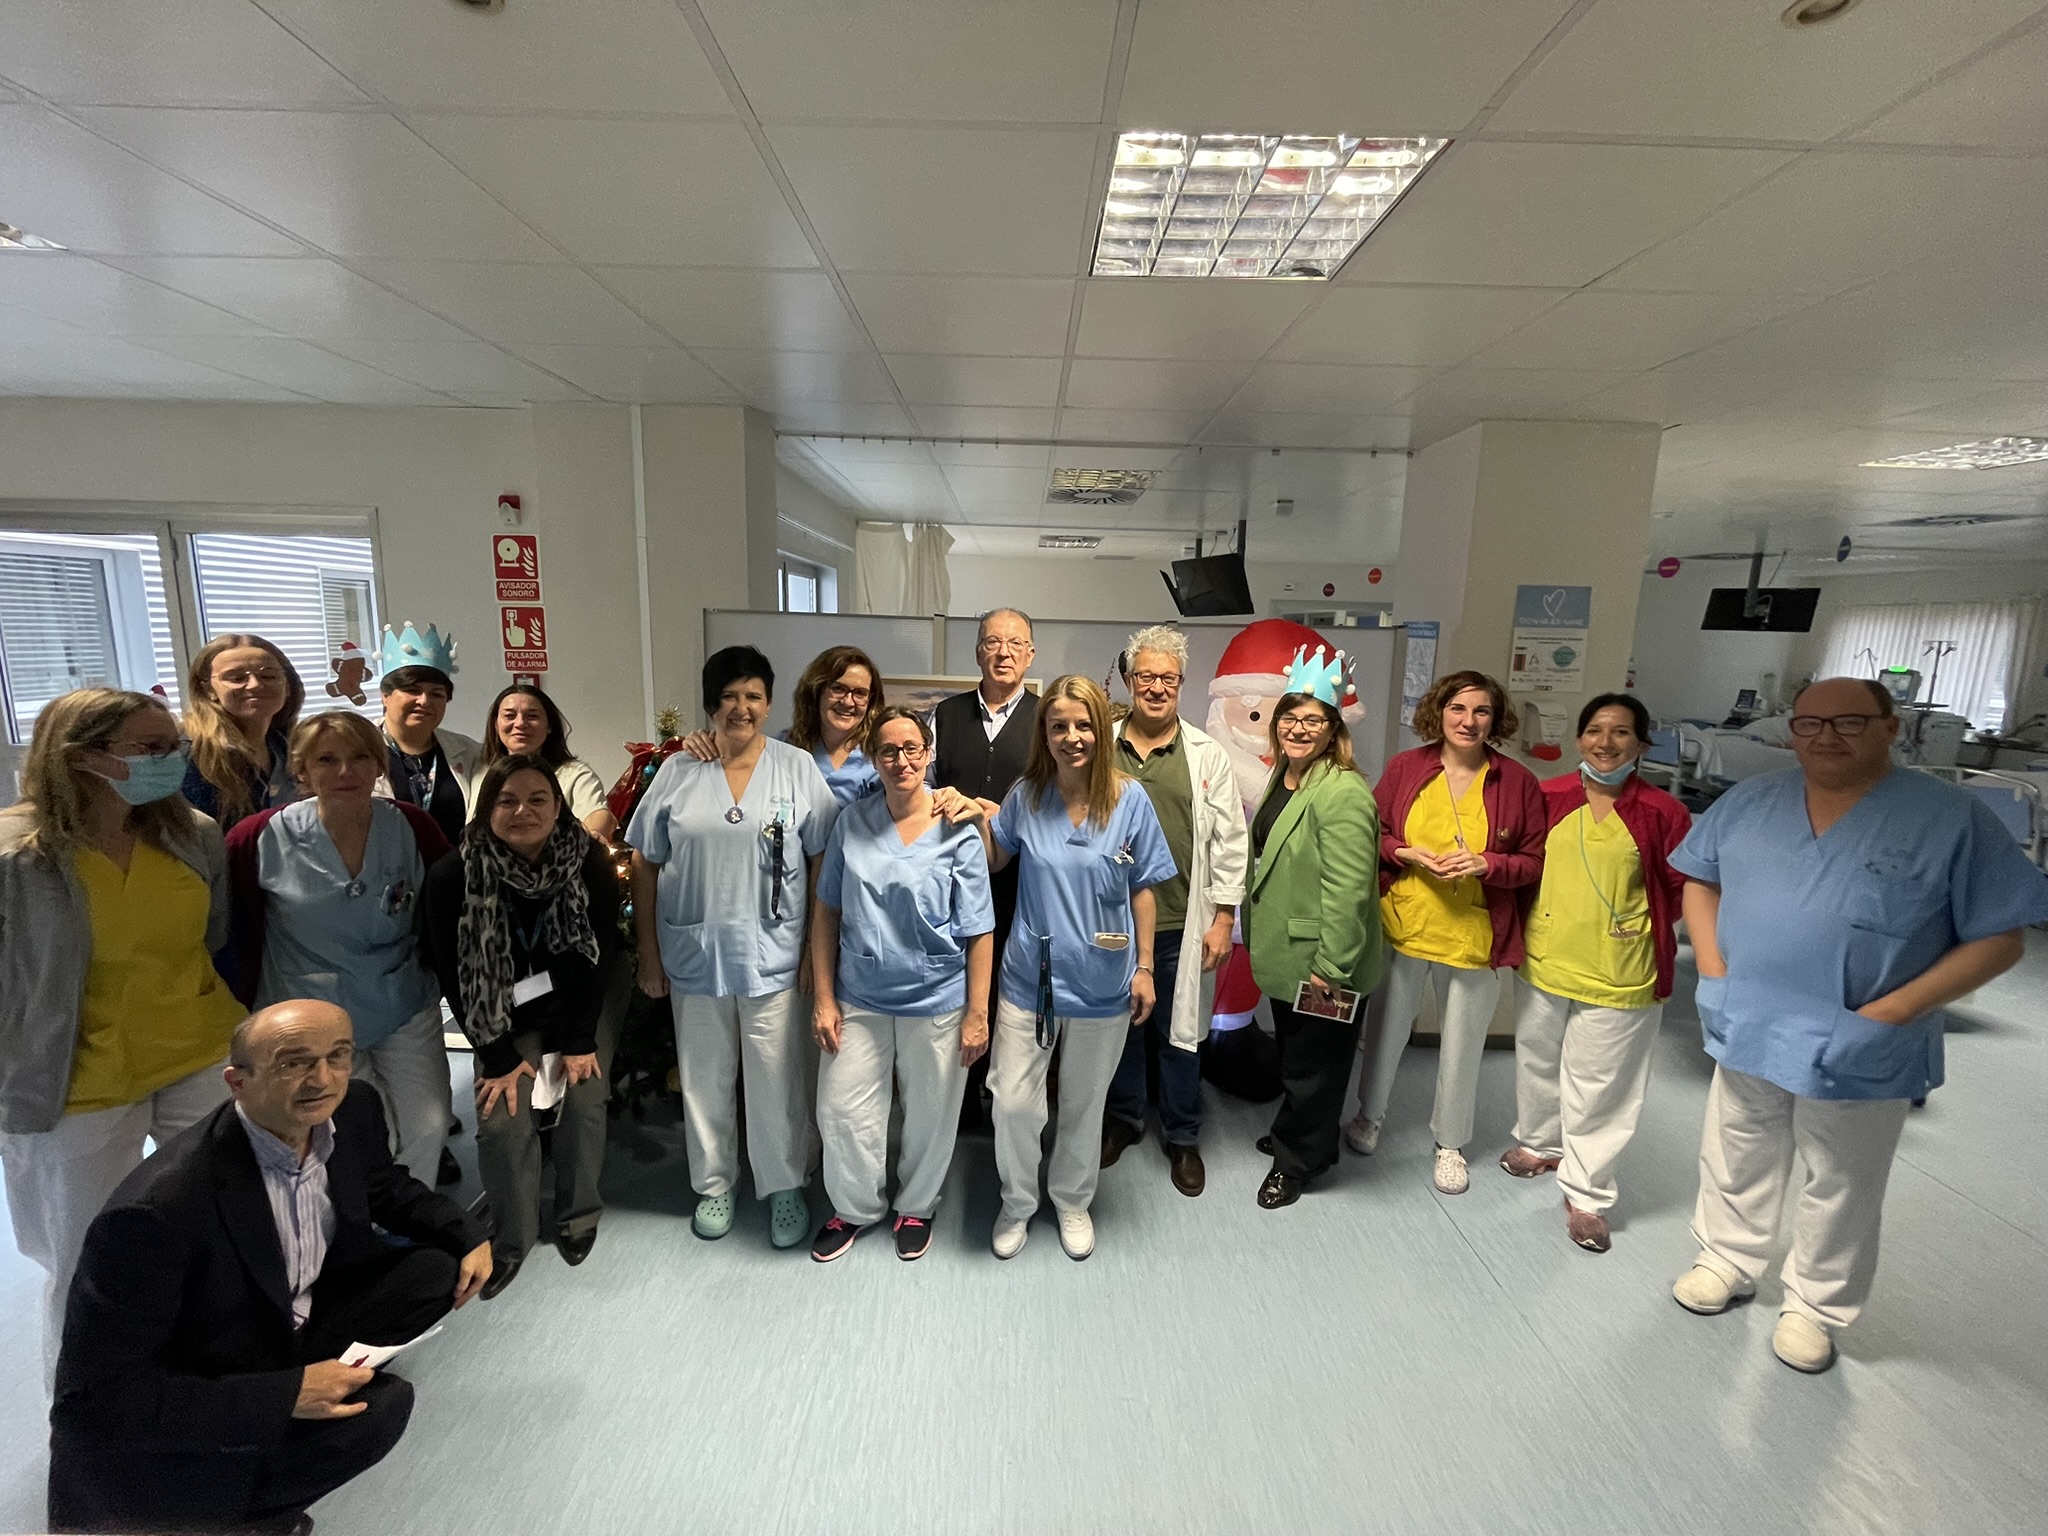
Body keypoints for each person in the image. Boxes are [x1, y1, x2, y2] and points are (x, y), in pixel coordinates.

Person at [1669, 677, 2045, 1373]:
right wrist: (1714, 971)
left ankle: (1814, 1306)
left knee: (1844, 1174)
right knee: (1738, 1145)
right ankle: (1726, 1257)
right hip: (1749, 1014)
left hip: (1862, 1034)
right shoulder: (1752, 800)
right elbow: (1701, 879)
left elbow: (2000, 938)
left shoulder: (1949, 818)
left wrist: (1889, 1014)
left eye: (1847, 722)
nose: (1825, 737)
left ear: (1890, 727)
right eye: (1809, 724)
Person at [48, 1001, 491, 1536]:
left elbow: (381, 1184)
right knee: (381, 1412)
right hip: (205, 1374)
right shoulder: (153, 1215)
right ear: (237, 1082)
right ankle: (236, 1518)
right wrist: (285, 1396)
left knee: (434, 1271)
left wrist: (465, 1232)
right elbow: (92, 1405)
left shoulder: (350, 1110)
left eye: (338, 1055)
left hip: (278, 1322)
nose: (322, 1079)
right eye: (292, 1063)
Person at [0, 688, 242, 1386]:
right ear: (81, 756)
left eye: (174, 746)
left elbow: (214, 933)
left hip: (198, 1049)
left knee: (218, 1221)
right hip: (74, 1077)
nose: (171, 760)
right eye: (150, 748)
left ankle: (213, 1375)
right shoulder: (18, 856)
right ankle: (84, 1406)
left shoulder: (190, 833)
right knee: (86, 1253)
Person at [939, 675, 1176, 1261]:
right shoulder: (1027, 795)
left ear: (1101, 729)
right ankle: (1017, 1201)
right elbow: (998, 857)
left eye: (1083, 725)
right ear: (1043, 734)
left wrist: (1145, 967)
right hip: (1031, 979)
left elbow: (1143, 887)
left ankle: (1071, 1199)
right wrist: (975, 819)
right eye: (1058, 726)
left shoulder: (1130, 800)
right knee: (1014, 1102)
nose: (1072, 737)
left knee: (1084, 1103)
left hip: (1104, 980)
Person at [628, 645, 838, 1248]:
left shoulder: (796, 767)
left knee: (778, 1078)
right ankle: (715, 1183)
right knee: (704, 1078)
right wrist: (648, 953)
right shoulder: (679, 769)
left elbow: (822, 860)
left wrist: (812, 953)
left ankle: (784, 1184)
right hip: (694, 951)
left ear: (769, 704)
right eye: (728, 696)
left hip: (774, 954)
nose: (740, 707)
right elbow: (644, 860)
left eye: (752, 696)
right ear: (710, 704)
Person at [423, 754, 625, 1295]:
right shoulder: (454, 873)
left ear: (558, 806)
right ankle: (512, 1237)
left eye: (538, 799)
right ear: (487, 808)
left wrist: (578, 1041)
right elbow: (454, 976)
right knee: (503, 1115)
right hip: (498, 1012)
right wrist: (496, 1055)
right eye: (507, 800)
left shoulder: (587, 860)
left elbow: (600, 957)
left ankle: (577, 1217)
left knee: (584, 1097)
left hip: (582, 1001)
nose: (523, 812)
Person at [225, 712, 454, 1184]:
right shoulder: (258, 839)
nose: (346, 772)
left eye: (361, 757)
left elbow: (448, 912)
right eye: (327, 760)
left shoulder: (412, 827)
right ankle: (357, 1219)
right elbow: (232, 933)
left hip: (400, 998)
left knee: (429, 1120)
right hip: (306, 1012)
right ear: (301, 770)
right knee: (351, 1132)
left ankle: (414, 1213)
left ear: (380, 766)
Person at [1499, 694, 1691, 1253]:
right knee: (1537, 1059)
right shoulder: (1548, 797)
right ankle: (1539, 1143)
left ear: (1642, 743)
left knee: (1603, 1085)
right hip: (1547, 957)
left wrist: (1637, 931)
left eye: (1621, 732)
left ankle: (1587, 1193)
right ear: (1579, 739)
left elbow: (1680, 891)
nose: (1606, 743)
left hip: (1621, 969)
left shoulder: (1662, 812)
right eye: (1595, 731)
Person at [807, 707, 994, 1262]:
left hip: (936, 997)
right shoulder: (852, 822)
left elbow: (980, 928)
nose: (901, 760)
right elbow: (826, 912)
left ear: (928, 754)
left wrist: (977, 1012)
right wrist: (824, 998)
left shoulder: (955, 826)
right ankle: (854, 1207)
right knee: (841, 1109)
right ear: (873, 758)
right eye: (888, 750)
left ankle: (916, 1204)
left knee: (932, 1114)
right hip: (859, 995)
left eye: (912, 748)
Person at [1350, 670, 1545, 1195]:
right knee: (1385, 1033)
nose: (1469, 720)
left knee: (1462, 1047)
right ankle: (1369, 1115)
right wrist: (1404, 852)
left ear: (1495, 719)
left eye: (1481, 711)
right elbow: (1374, 833)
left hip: (1474, 933)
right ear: (1439, 712)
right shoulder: (1407, 768)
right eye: (1458, 708)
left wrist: (1487, 864)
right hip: (1406, 923)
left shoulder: (1517, 782)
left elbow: (1533, 861)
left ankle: (1451, 1143)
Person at [1099, 627, 1248, 1198]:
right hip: (1110, 923)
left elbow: (1230, 841)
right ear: (1129, 680)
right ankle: (1125, 1118)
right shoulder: (1102, 745)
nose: (1156, 687)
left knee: (1179, 1033)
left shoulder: (1206, 755)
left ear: (1181, 683)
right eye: (1146, 676)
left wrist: (1224, 919)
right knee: (1120, 1028)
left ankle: (1183, 1134)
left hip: (1180, 922)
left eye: (1168, 678)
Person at [1242, 647, 1385, 1209]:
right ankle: (1305, 1137)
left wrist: (1332, 968)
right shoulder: (1287, 776)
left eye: (1313, 721)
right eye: (1290, 718)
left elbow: (1350, 892)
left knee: (1315, 1068)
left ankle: (1297, 1162)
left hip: (1324, 962)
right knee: (1299, 1058)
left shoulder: (1342, 791)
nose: (1298, 729)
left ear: (1333, 730)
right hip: (1289, 952)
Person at [932, 607, 1040, 1129]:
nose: (1003, 653)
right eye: (993, 642)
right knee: (960, 984)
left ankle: (1006, 1097)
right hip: (952, 880)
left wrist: (1007, 818)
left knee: (1009, 986)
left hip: (1024, 879)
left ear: (1030, 655)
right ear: (977, 652)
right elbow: (922, 784)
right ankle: (962, 1096)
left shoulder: (1046, 719)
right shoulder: (945, 715)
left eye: (1015, 644)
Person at [678, 645, 888, 807]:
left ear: (870, 700)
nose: (848, 702)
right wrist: (705, 740)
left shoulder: (884, 752)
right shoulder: (784, 748)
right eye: (838, 689)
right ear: (816, 691)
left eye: (860, 693)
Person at [374, 621, 483, 848]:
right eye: (412, 690)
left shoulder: (471, 753)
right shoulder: (357, 747)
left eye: (436, 694)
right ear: (385, 695)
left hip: (455, 868)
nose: (424, 701)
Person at [180, 633, 305, 830]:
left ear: (288, 686)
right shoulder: (189, 756)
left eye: (268, 676)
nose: (255, 684)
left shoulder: (289, 747)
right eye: (237, 678)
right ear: (208, 690)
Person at [475, 681, 620, 838]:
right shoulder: (477, 770)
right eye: (510, 716)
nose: (520, 723)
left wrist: (589, 840)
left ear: (549, 725)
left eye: (532, 716)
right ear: (496, 725)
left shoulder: (574, 774)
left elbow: (598, 814)